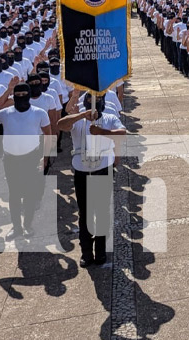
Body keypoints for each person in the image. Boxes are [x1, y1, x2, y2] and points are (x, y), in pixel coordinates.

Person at [58, 93, 127, 267]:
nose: (94, 104)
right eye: (89, 101)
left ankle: (101, 250)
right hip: (82, 172)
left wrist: (102, 132)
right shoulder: (78, 120)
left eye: (97, 101)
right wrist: (82, 115)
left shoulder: (110, 117)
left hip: (102, 170)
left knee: (102, 213)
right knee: (85, 214)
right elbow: (61, 125)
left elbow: (122, 133)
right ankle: (86, 252)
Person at [0, 83, 51, 240]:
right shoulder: (5, 113)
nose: (20, 97)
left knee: (30, 195)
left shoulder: (39, 113)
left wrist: (45, 157)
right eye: (17, 95)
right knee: (14, 194)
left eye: (24, 94)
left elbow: (48, 135)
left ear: (29, 94)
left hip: (32, 158)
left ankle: (28, 225)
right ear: (13, 96)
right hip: (11, 160)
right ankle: (17, 227)